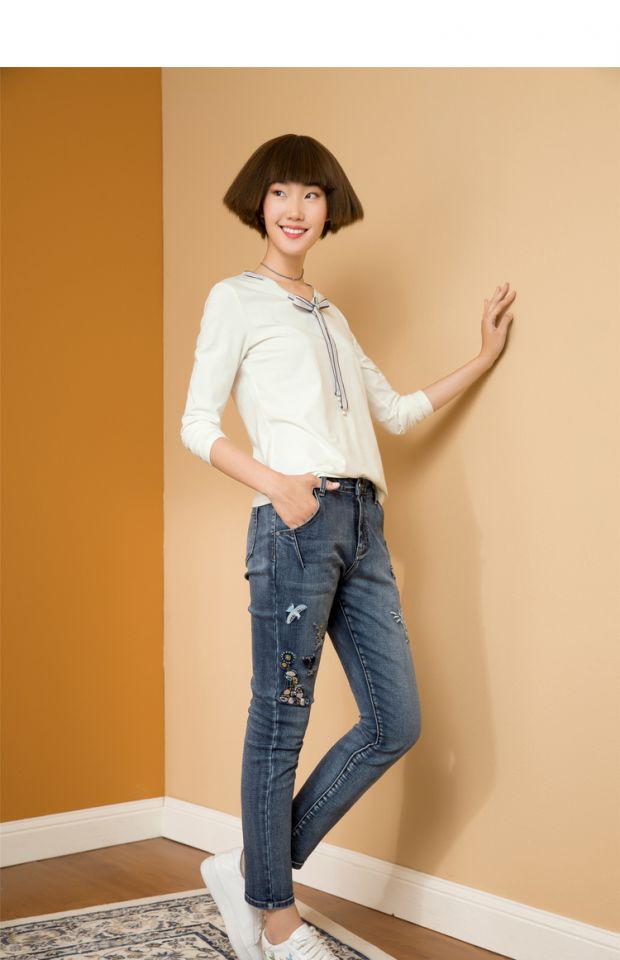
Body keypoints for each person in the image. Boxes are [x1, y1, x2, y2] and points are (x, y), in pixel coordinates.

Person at [180, 133, 516, 960]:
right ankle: (277, 920)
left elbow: (393, 411)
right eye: (281, 192)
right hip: (297, 523)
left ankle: (252, 871)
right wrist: (277, 485)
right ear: (259, 203)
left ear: (330, 209)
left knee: (397, 721)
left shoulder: (330, 315)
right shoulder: (235, 299)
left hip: (365, 529)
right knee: (280, 722)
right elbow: (195, 424)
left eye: (312, 194)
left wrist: (484, 356)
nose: (295, 209)